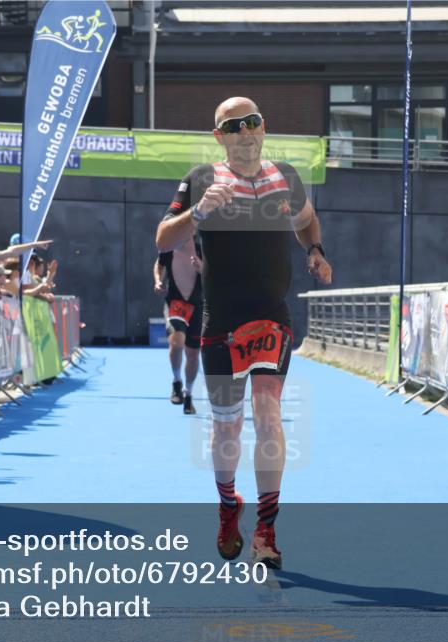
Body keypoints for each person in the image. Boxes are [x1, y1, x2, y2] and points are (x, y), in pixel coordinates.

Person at [156, 97, 333, 569]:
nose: (246, 132)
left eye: (252, 122)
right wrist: (196, 214)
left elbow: (305, 220)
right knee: (227, 426)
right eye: (234, 126)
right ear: (220, 136)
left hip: (273, 314)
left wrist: (314, 249)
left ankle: (267, 529)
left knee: (268, 412)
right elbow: (162, 238)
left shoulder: (286, 177)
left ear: (264, 127)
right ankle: (228, 504)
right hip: (222, 320)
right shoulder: (200, 179)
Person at [153, 236, 203, 415]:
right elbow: (159, 265)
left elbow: (216, 274)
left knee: (193, 354)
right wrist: (158, 280)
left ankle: (188, 394)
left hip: (197, 306)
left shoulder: (201, 249)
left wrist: (202, 268)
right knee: (176, 344)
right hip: (175, 303)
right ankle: (176, 381)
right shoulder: (168, 248)